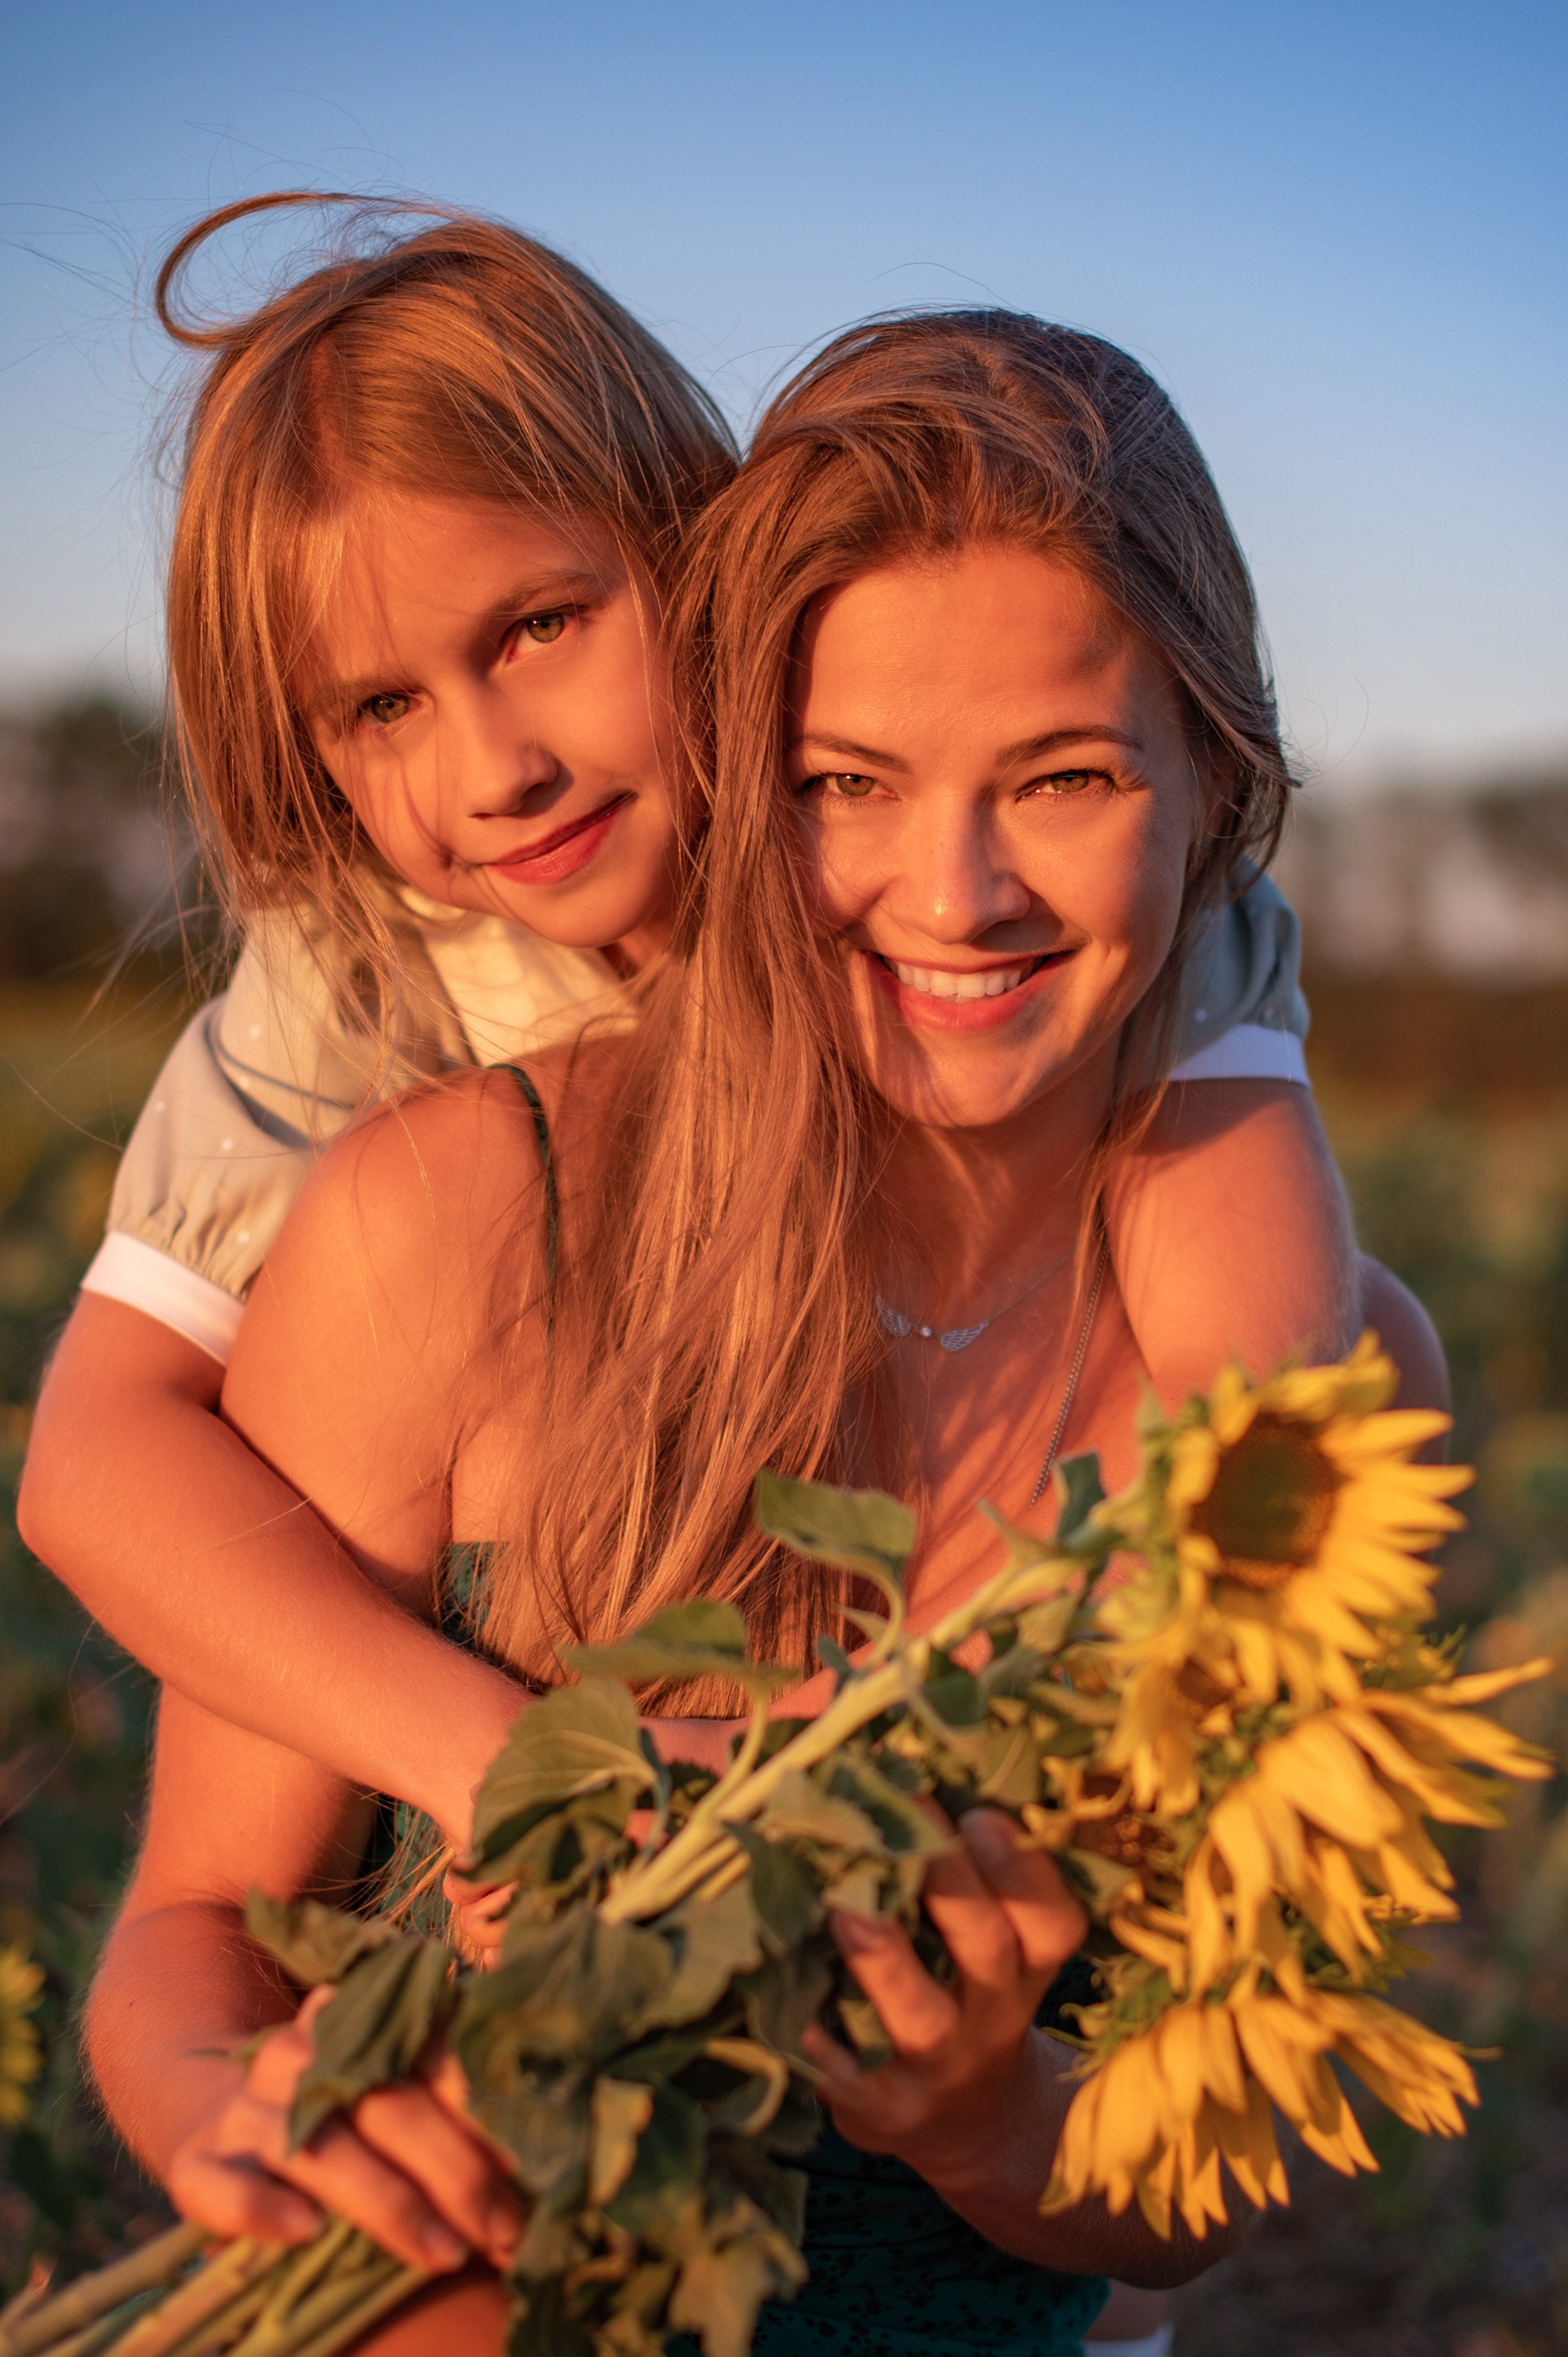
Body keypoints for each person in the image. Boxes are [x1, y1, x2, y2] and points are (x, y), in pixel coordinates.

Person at [84, 307, 1447, 2356]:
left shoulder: (1308, 1414)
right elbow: (189, 1931)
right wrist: (237, 2116)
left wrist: (997, 2129)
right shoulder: (446, 1222)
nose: (954, 891)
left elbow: (1224, 2164)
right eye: (847, 785)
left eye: (1066, 777)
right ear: (744, 762)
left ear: (1216, 781)